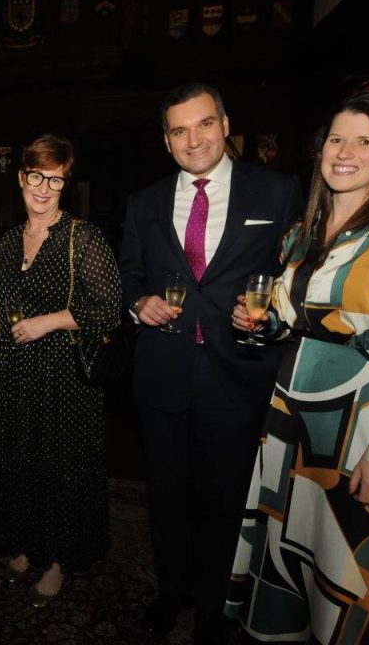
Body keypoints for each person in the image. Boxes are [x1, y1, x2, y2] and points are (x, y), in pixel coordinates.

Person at [225, 91, 369, 644]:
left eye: (364, 141)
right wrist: (260, 322)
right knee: (287, 563)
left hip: (356, 429)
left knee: (345, 573)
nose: (344, 152)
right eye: (335, 139)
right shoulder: (301, 235)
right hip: (289, 420)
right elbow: (288, 318)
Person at [118, 82, 300, 643]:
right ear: (166, 140)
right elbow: (131, 274)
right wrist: (137, 302)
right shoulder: (144, 202)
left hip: (237, 375)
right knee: (167, 499)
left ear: (225, 124)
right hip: (163, 376)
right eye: (178, 130)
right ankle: (171, 590)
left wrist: (268, 318)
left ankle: (217, 603)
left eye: (203, 124)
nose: (192, 139)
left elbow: (298, 279)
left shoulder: (278, 192)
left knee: (226, 501)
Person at [0, 133, 122, 607]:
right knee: (21, 458)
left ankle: (60, 559)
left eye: (56, 180)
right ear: (21, 177)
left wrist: (49, 322)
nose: (44, 189)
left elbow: (110, 307)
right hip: (14, 371)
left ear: (66, 184)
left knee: (61, 466)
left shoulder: (82, 237)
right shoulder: (5, 242)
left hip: (65, 375)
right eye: (36, 177)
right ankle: (26, 543)